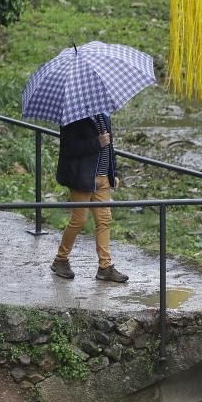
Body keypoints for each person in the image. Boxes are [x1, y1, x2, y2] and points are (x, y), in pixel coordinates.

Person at [50, 114, 128, 282]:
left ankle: (105, 267)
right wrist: (97, 142)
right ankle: (60, 260)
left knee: (104, 220)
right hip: (82, 178)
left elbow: (110, 147)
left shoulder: (104, 116)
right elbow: (69, 148)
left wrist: (113, 173)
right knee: (79, 220)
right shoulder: (73, 117)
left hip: (103, 179)